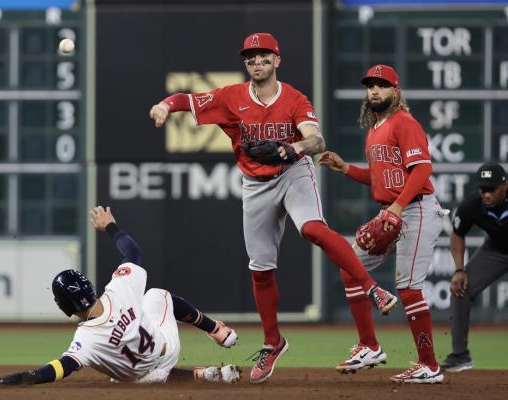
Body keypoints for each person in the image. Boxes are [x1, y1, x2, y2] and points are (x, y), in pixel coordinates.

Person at [149, 32, 397, 384]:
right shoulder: (230, 97)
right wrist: (164, 106)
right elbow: (186, 100)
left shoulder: (294, 97)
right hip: (255, 183)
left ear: (277, 60)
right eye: (251, 57)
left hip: (294, 173)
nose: (257, 62)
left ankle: (372, 288)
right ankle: (273, 342)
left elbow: (317, 139)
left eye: (264, 56)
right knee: (261, 268)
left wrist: (293, 149)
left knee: (311, 228)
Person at [0, 206, 241, 385]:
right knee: (157, 295)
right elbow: (133, 253)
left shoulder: (86, 340)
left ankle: (200, 374)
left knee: (119, 372)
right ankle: (217, 332)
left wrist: (22, 378)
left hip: (141, 379)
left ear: (65, 307)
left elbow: (60, 368)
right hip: (165, 350)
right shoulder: (119, 289)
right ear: (89, 287)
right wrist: (110, 226)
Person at [319, 64, 446, 384]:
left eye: (382, 85)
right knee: (349, 266)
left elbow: (421, 171)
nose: (374, 90)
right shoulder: (375, 129)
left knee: (407, 287)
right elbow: (379, 178)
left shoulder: (405, 123)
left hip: (416, 209)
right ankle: (369, 345)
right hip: (392, 209)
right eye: (370, 85)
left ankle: (429, 365)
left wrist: (398, 209)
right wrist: (345, 168)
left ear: (396, 91)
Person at [441, 162, 508, 372]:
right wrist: (459, 269)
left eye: (492, 189)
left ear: (505, 186)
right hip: (496, 250)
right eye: (483, 189)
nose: (486, 195)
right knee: (461, 288)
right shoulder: (472, 204)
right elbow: (457, 234)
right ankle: (460, 355)